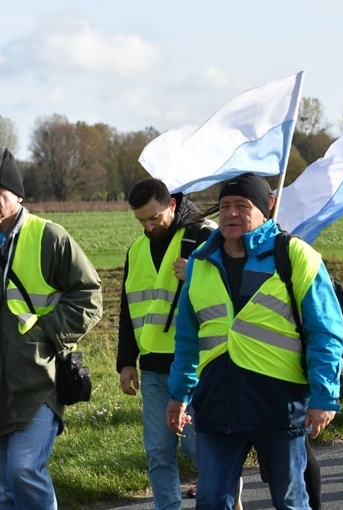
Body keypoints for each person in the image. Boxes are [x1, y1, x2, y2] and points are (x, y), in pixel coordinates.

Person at [165, 172, 343, 509]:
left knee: (289, 501)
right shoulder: (201, 263)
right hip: (218, 403)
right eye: (225, 206)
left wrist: (325, 396)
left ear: (267, 208)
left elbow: (327, 333)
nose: (231, 214)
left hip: (279, 404)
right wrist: (179, 395)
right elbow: (188, 339)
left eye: (242, 206)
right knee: (210, 499)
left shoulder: (295, 257)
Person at [0, 147, 103, 509]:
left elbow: (89, 295)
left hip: (38, 379)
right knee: (4, 490)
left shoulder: (49, 237)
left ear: (18, 195)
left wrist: (46, 333)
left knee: (25, 468)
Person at [117, 178, 215, 509]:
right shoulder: (136, 250)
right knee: (159, 452)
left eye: (153, 218)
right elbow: (128, 308)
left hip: (196, 365)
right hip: (153, 369)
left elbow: (232, 293)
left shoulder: (204, 237)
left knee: (199, 448)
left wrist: (198, 276)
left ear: (172, 205)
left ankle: (224, 500)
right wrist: (126, 361)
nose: (147, 226)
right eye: (140, 220)